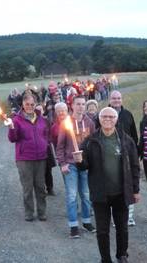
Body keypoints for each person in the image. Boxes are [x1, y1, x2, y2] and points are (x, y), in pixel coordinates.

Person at [73, 107, 140, 263]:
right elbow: (84, 166)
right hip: (100, 194)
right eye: (104, 116)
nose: (108, 119)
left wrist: (135, 190)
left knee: (122, 228)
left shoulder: (126, 140)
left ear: (116, 119)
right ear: (99, 119)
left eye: (111, 116)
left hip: (121, 193)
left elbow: (135, 166)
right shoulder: (91, 141)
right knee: (102, 231)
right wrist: (79, 161)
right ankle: (105, 259)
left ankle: (122, 255)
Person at [56, 95, 96, 238]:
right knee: (72, 196)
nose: (81, 107)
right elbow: (59, 146)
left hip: (84, 165)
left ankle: (86, 221)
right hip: (70, 165)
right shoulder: (66, 123)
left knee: (86, 195)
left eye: (83, 104)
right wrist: (62, 163)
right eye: (78, 104)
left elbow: (93, 145)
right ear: (72, 106)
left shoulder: (90, 123)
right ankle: (73, 225)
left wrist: (92, 162)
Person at [8, 93, 49, 222]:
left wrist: (45, 145)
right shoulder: (16, 120)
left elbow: (46, 135)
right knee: (27, 188)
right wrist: (11, 128)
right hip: (24, 159)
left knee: (41, 187)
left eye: (32, 104)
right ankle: (29, 212)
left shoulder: (42, 119)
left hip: (41, 158)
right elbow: (12, 138)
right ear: (23, 105)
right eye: (27, 104)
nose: (30, 106)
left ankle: (42, 212)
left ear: (36, 104)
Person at [107, 90, 138, 226]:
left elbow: (134, 136)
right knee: (114, 187)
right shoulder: (104, 114)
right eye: (114, 98)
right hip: (110, 156)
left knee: (129, 185)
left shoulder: (127, 115)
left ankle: (129, 216)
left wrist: (136, 154)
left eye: (119, 98)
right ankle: (115, 217)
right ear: (110, 99)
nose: (116, 101)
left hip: (127, 155)